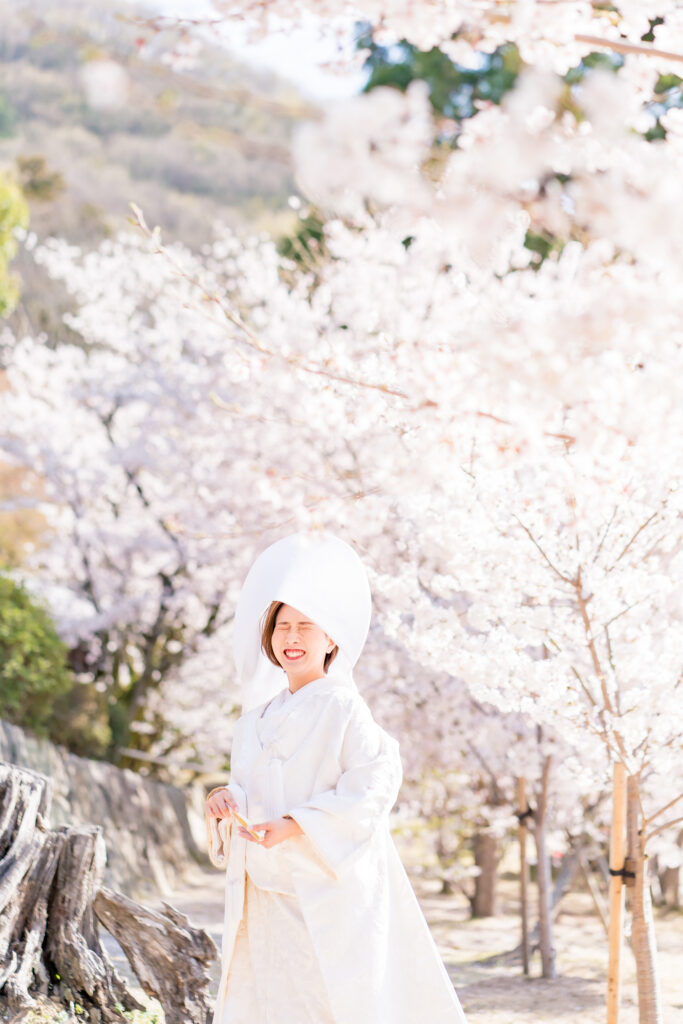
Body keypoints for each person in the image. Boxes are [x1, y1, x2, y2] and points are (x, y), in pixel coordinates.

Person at [205, 532, 467, 1024]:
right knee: (272, 1001)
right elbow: (248, 789)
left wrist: (297, 823)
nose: (292, 637)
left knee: (326, 1002)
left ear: (331, 639)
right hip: (265, 893)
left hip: (322, 889)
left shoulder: (344, 705)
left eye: (306, 625)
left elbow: (375, 781)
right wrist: (225, 800)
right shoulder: (252, 722)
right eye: (282, 626)